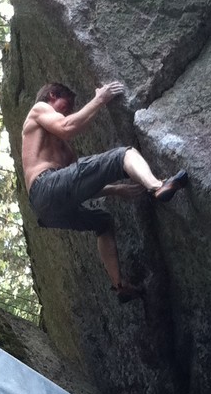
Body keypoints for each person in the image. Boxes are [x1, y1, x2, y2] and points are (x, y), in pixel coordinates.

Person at [21, 79, 188, 302]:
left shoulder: (63, 149)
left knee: (103, 222)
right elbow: (67, 127)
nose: (67, 112)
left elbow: (79, 187)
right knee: (124, 154)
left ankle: (119, 285)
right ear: (52, 95)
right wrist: (100, 99)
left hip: (48, 210)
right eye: (66, 105)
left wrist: (116, 189)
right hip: (44, 185)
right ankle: (158, 186)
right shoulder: (40, 108)